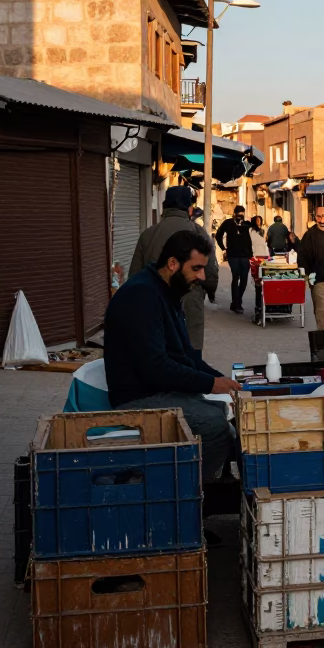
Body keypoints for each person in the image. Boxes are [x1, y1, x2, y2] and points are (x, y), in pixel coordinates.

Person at [104, 230, 241, 481]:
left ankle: (207, 484)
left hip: (159, 390)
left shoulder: (169, 291)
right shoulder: (142, 295)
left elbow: (188, 356)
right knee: (215, 427)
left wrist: (224, 382)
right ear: (172, 264)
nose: (201, 276)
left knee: (227, 415)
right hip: (138, 398)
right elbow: (156, 367)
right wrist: (211, 384)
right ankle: (174, 494)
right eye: (196, 268)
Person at [128, 186, 219, 354]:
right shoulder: (199, 233)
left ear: (164, 208)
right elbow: (211, 275)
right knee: (191, 357)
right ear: (190, 209)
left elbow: (134, 276)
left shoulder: (148, 234)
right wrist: (208, 291)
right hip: (190, 305)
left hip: (154, 305)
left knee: (160, 355)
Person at [215, 205, 253, 313]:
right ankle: (236, 303)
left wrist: (252, 253)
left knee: (244, 279)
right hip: (233, 255)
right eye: (239, 214)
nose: (241, 216)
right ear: (235, 214)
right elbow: (218, 235)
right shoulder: (228, 223)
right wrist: (223, 248)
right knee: (236, 277)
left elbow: (250, 239)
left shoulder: (246, 225)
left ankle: (237, 300)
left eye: (242, 214)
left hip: (245, 255)